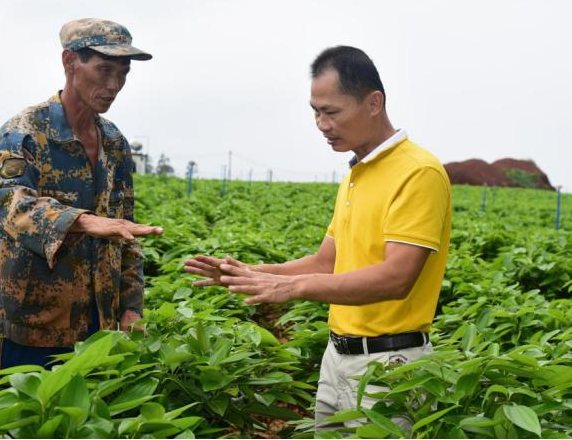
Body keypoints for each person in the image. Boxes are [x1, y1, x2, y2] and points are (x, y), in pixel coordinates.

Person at [184, 45, 451, 430]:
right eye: (315, 112)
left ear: (374, 103)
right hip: (337, 356)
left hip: (390, 367)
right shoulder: (357, 174)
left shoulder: (418, 172)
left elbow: (397, 278)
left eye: (332, 112)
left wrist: (295, 290)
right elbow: (326, 262)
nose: (321, 124)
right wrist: (252, 273)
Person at [0, 18, 163, 369]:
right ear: (69, 62)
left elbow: (125, 230)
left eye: (123, 73)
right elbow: (10, 202)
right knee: (25, 418)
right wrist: (83, 221)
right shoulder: (27, 129)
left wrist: (131, 306)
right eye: (104, 70)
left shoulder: (114, 142)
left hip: (97, 319)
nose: (114, 85)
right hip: (31, 319)